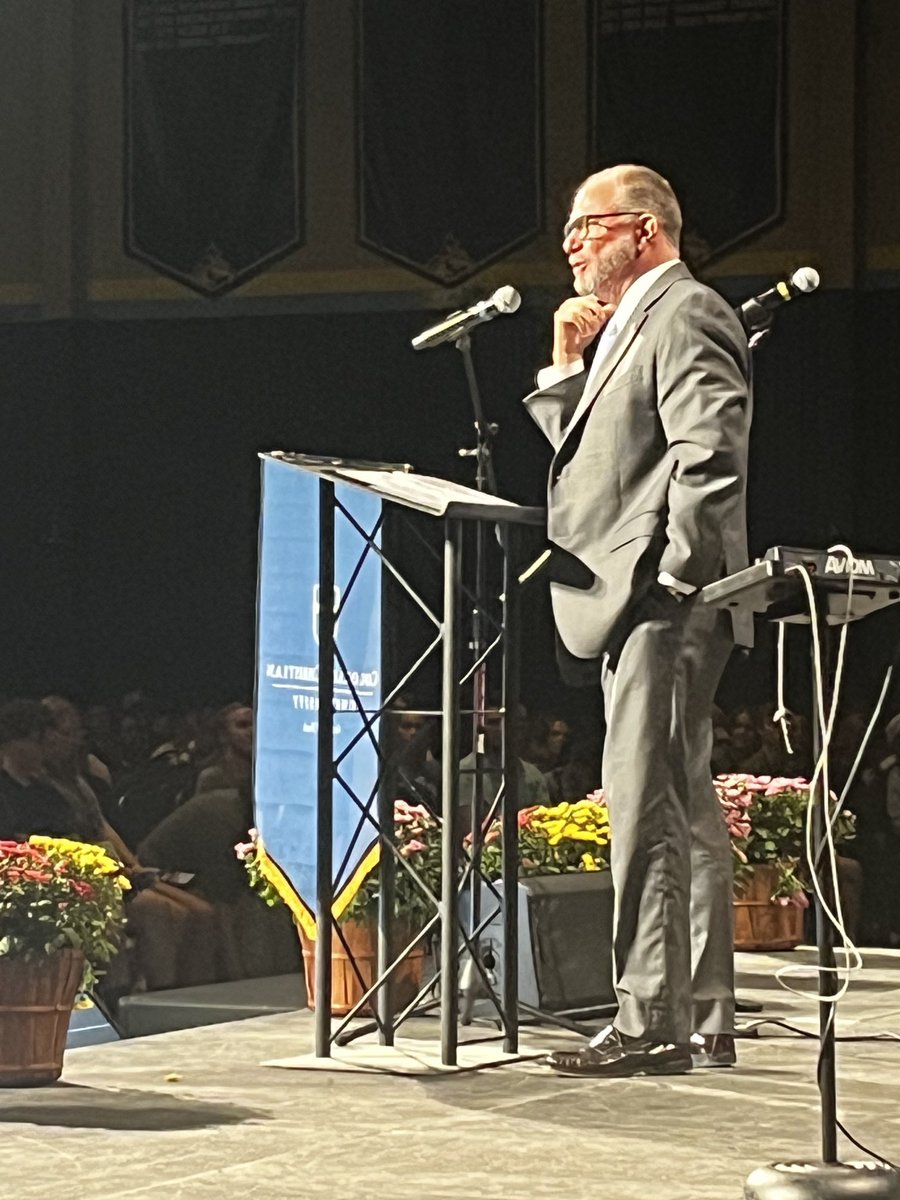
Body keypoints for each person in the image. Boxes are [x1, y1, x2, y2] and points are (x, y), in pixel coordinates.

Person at [525, 165, 752, 1078]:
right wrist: (568, 368)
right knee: (683, 808)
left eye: (587, 227)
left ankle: (649, 1018)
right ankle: (702, 1013)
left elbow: (711, 449)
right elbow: (597, 463)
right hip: (638, 595)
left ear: (647, 230)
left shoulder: (685, 311)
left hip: (661, 600)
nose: (572, 246)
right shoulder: (630, 327)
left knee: (643, 809)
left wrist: (676, 578)